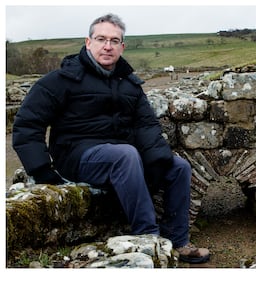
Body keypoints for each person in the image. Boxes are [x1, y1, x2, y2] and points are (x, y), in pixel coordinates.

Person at [12, 13, 210, 264]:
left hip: (119, 154)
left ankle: (178, 240)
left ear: (122, 46)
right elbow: (27, 123)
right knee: (126, 155)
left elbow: (146, 124)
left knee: (178, 166)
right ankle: (148, 237)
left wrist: (159, 160)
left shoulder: (129, 84)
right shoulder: (60, 80)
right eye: (101, 39)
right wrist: (42, 170)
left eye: (114, 41)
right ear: (88, 42)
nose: (108, 46)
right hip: (76, 155)